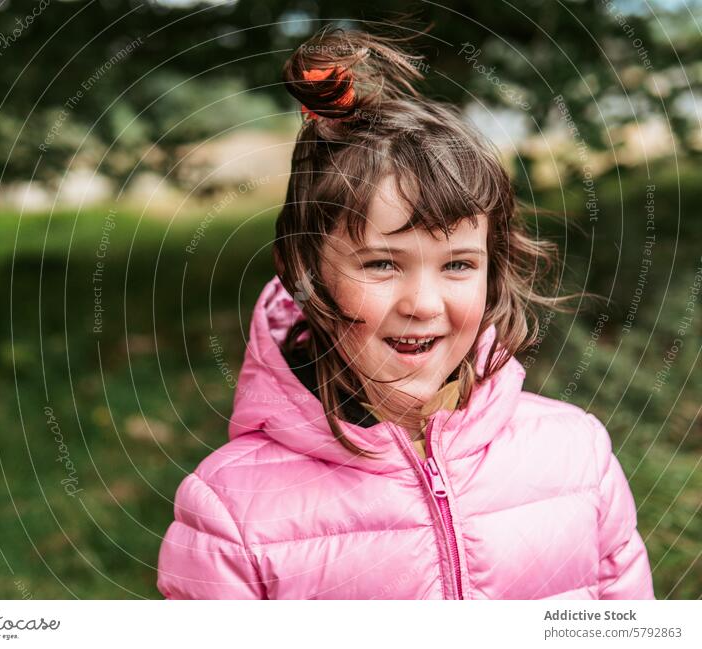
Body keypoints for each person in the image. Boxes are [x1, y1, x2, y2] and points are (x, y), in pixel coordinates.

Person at [156, 27, 654, 599]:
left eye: (459, 265)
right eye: (382, 265)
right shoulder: (231, 512)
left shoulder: (576, 456)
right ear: (302, 267)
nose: (423, 304)